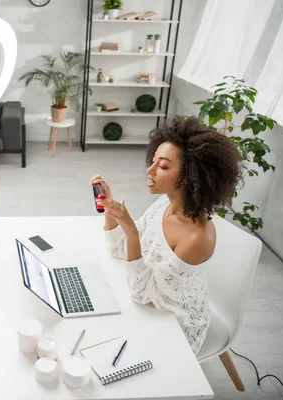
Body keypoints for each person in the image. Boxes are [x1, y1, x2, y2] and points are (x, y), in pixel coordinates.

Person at [90, 117, 243, 355]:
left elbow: (143, 294)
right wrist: (109, 207)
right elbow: (121, 250)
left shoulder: (197, 238)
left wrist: (131, 230)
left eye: (162, 166)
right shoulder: (164, 204)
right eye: (153, 162)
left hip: (177, 324)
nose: (149, 171)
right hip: (152, 304)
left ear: (190, 175)